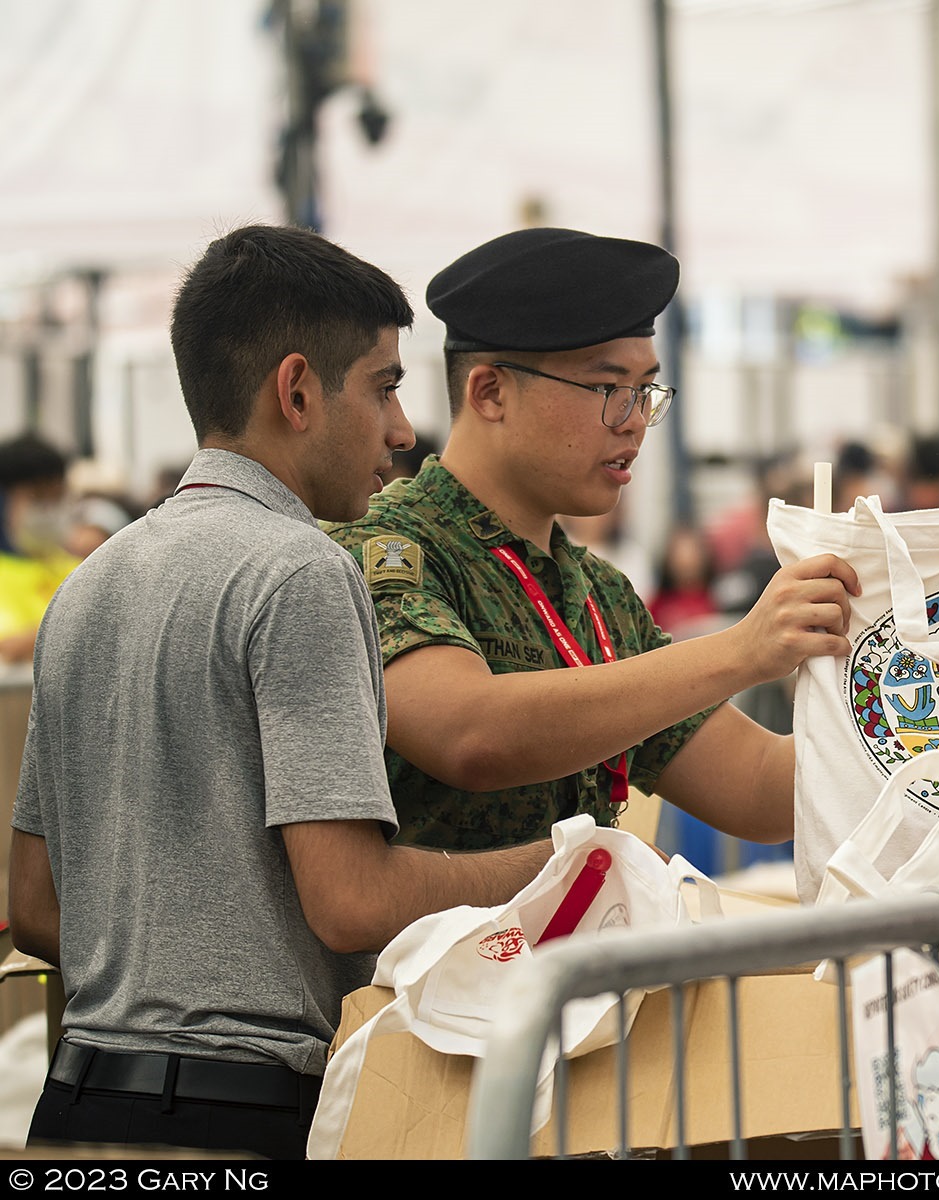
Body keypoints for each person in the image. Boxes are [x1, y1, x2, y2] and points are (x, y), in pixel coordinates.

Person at [7, 224, 558, 1160]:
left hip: (76, 1112)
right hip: (243, 1115)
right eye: (384, 384)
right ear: (297, 390)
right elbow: (348, 900)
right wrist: (558, 867)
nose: (401, 429)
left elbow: (33, 904)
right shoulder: (300, 570)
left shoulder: (89, 586)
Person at [326, 227, 857, 852]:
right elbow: (470, 735)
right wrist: (743, 650)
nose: (634, 420)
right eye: (607, 389)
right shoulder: (383, 549)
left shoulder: (599, 593)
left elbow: (763, 791)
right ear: (491, 392)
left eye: (644, 391)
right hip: (443, 953)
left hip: (582, 947)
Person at [0, 434, 79, 663]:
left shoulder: (78, 569)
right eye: (37, 497)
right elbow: (8, 649)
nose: (49, 510)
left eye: (58, 497)